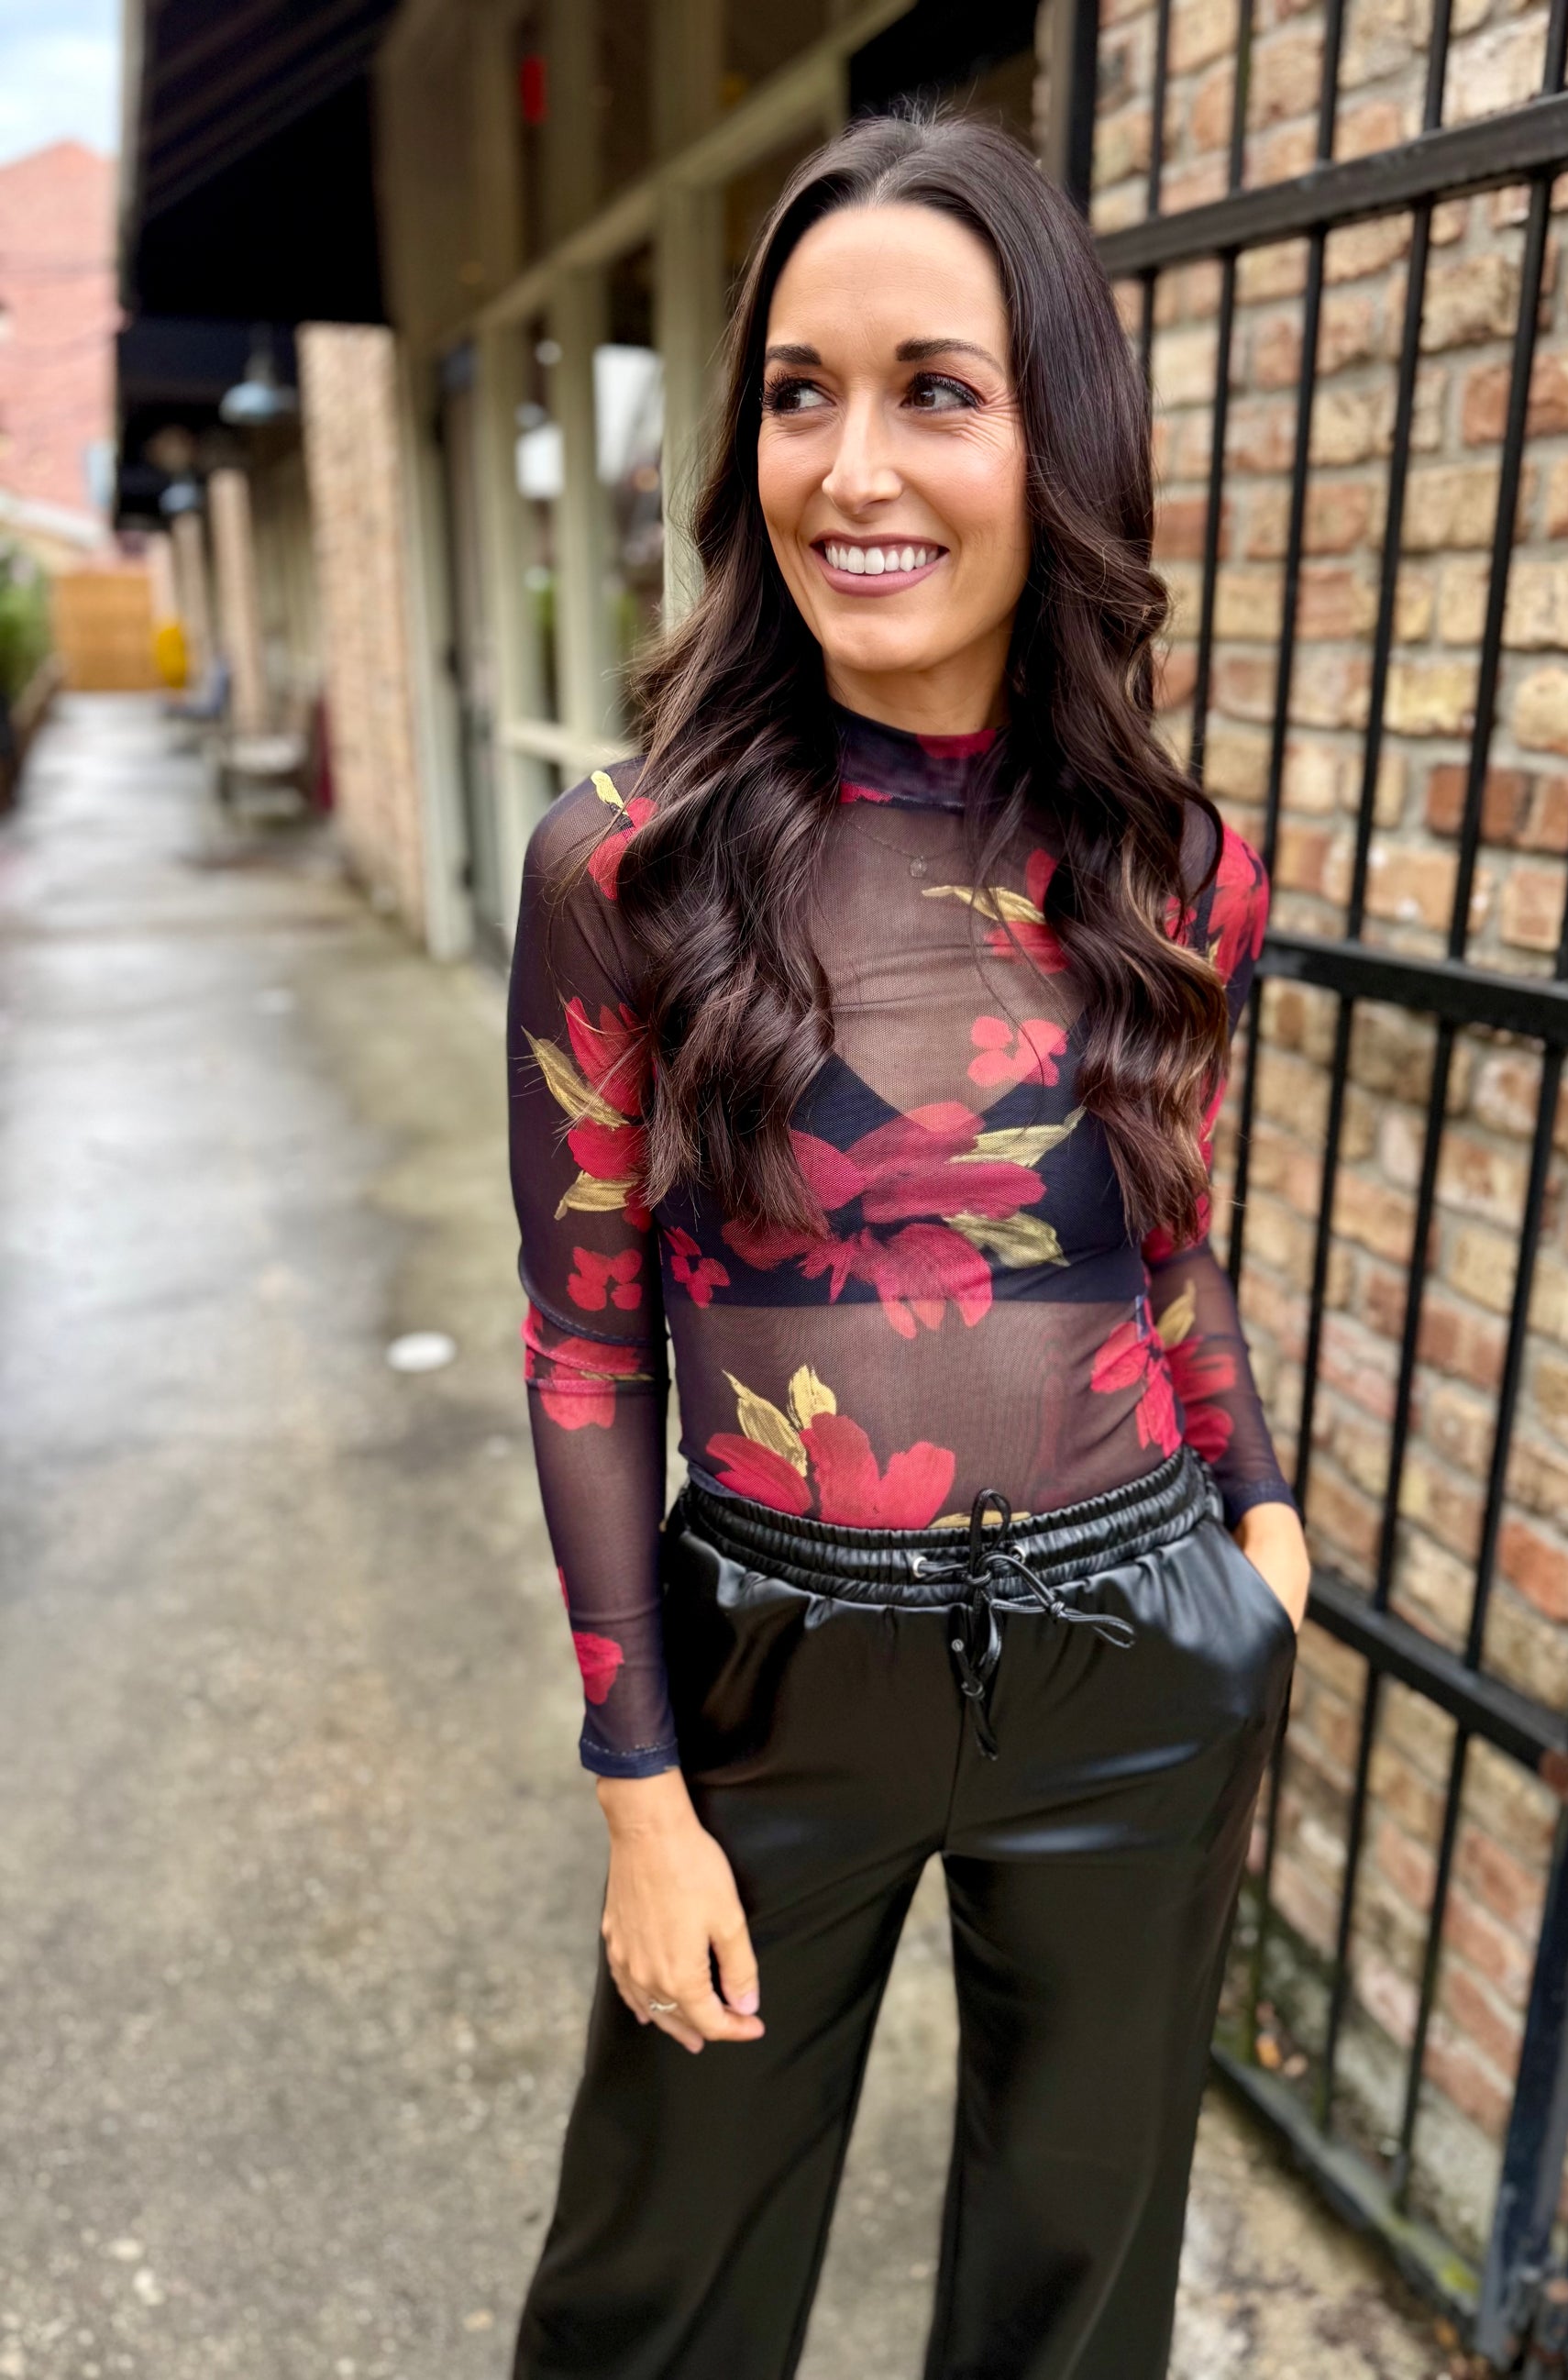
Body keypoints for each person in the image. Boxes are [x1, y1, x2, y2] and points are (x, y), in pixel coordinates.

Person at [506, 107, 1311, 2380]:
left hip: (1139, 1648)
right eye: (798, 393)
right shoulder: (627, 867)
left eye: (934, 390)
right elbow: (583, 1346)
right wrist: (640, 1791)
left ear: (1057, 439)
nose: (850, 468)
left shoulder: (1176, 867)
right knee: (652, 2303)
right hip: (773, 1665)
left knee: (1077, 2301)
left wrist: (1260, 1524)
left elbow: (1164, 1235)